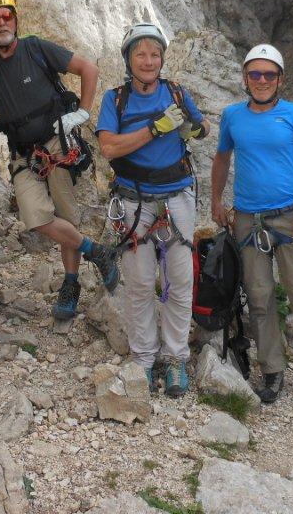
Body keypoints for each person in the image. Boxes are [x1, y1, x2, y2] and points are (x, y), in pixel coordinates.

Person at [0, 0, 119, 321]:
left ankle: (70, 285)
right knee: (36, 218)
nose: (1, 23)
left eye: (6, 17)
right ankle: (96, 251)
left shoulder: (35, 48)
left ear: (16, 20)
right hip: (23, 154)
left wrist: (84, 112)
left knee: (67, 217)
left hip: (56, 144)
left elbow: (88, 69)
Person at [210, 44, 293, 408]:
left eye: (268, 75)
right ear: (245, 78)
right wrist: (217, 201)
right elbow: (221, 158)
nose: (261, 81)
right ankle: (272, 371)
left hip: (290, 216)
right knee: (260, 299)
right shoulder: (232, 116)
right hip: (248, 219)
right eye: (254, 74)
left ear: (279, 79)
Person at [96, 23, 210, 396]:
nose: (148, 60)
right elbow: (109, 148)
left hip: (176, 197)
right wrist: (156, 130)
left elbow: (202, 126)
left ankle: (176, 358)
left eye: (154, 54)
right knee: (141, 283)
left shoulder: (175, 92)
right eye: (140, 54)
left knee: (179, 281)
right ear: (129, 60)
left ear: (162, 59)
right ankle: (144, 359)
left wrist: (192, 131)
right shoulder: (115, 100)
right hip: (133, 201)